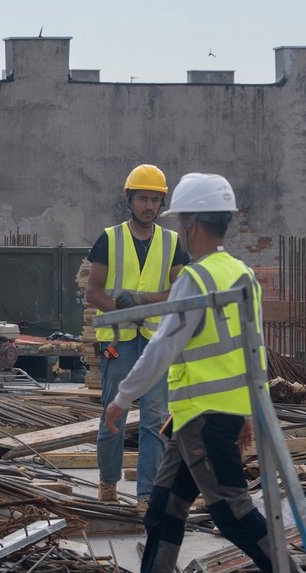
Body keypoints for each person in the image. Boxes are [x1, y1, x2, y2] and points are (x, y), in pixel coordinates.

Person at [103, 173, 306, 573]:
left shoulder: (196, 279)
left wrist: (122, 398)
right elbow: (253, 351)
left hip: (200, 417)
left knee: (231, 511)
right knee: (165, 505)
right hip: (198, 419)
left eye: (183, 221)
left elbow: (162, 348)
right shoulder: (243, 275)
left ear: (194, 225)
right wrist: (246, 414)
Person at [86, 164, 189, 513]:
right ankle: (108, 482)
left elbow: (179, 289)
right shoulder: (109, 239)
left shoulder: (171, 243)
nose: (148, 205)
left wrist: (143, 301)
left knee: (155, 418)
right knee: (114, 413)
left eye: (155, 200)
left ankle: (147, 494)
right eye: (142, 198)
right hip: (119, 341)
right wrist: (118, 308)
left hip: (156, 339)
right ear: (129, 199)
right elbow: (92, 291)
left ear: (162, 203)